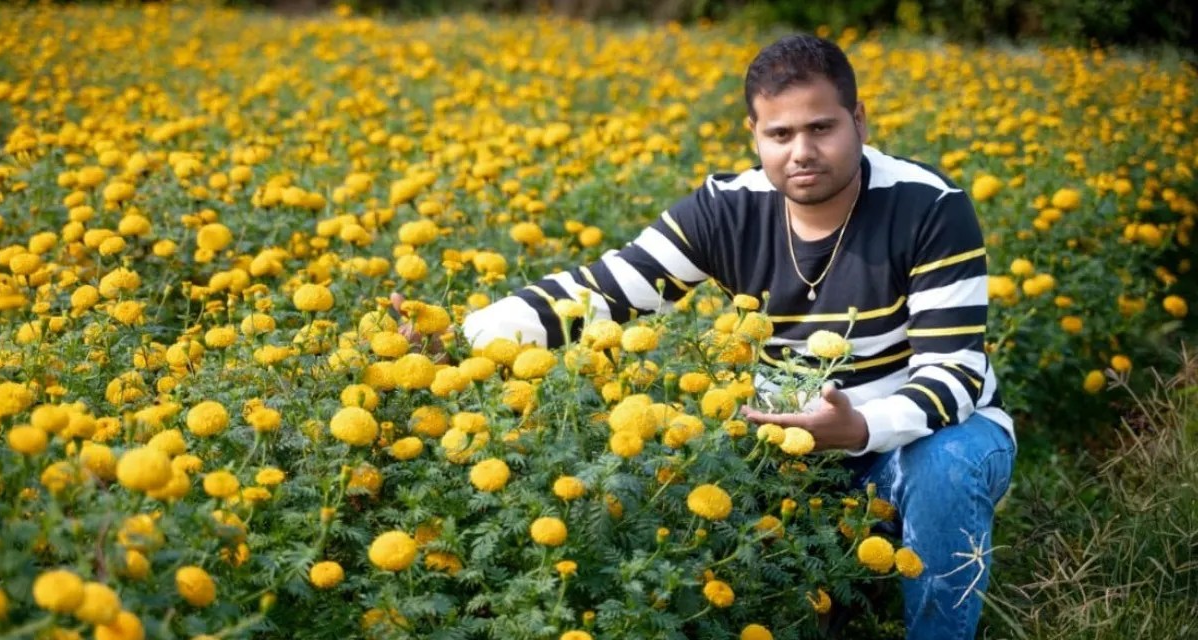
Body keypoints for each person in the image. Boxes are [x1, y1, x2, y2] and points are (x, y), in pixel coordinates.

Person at [405, 34, 1015, 640]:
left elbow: (953, 372)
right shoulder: (728, 208)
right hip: (788, 451)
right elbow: (603, 290)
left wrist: (859, 428)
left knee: (947, 467)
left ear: (858, 120)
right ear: (755, 134)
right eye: (779, 135)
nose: (801, 151)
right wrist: (463, 342)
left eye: (821, 128)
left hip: (920, 441)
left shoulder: (929, 206)